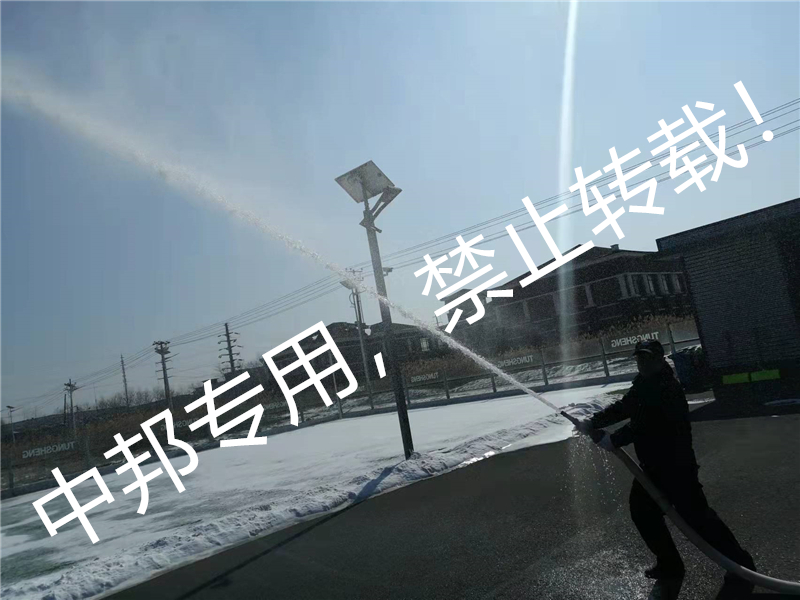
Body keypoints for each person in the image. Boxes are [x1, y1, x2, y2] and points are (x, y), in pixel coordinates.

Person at [575, 339, 757, 593]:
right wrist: (594, 421)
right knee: (643, 513)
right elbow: (625, 407)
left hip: (676, 467)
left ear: (660, 360)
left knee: (698, 519)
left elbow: (645, 424)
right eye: (639, 358)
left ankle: (742, 565)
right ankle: (670, 565)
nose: (643, 363)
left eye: (648, 358)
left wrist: (612, 440)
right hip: (653, 468)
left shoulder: (667, 388)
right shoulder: (643, 384)